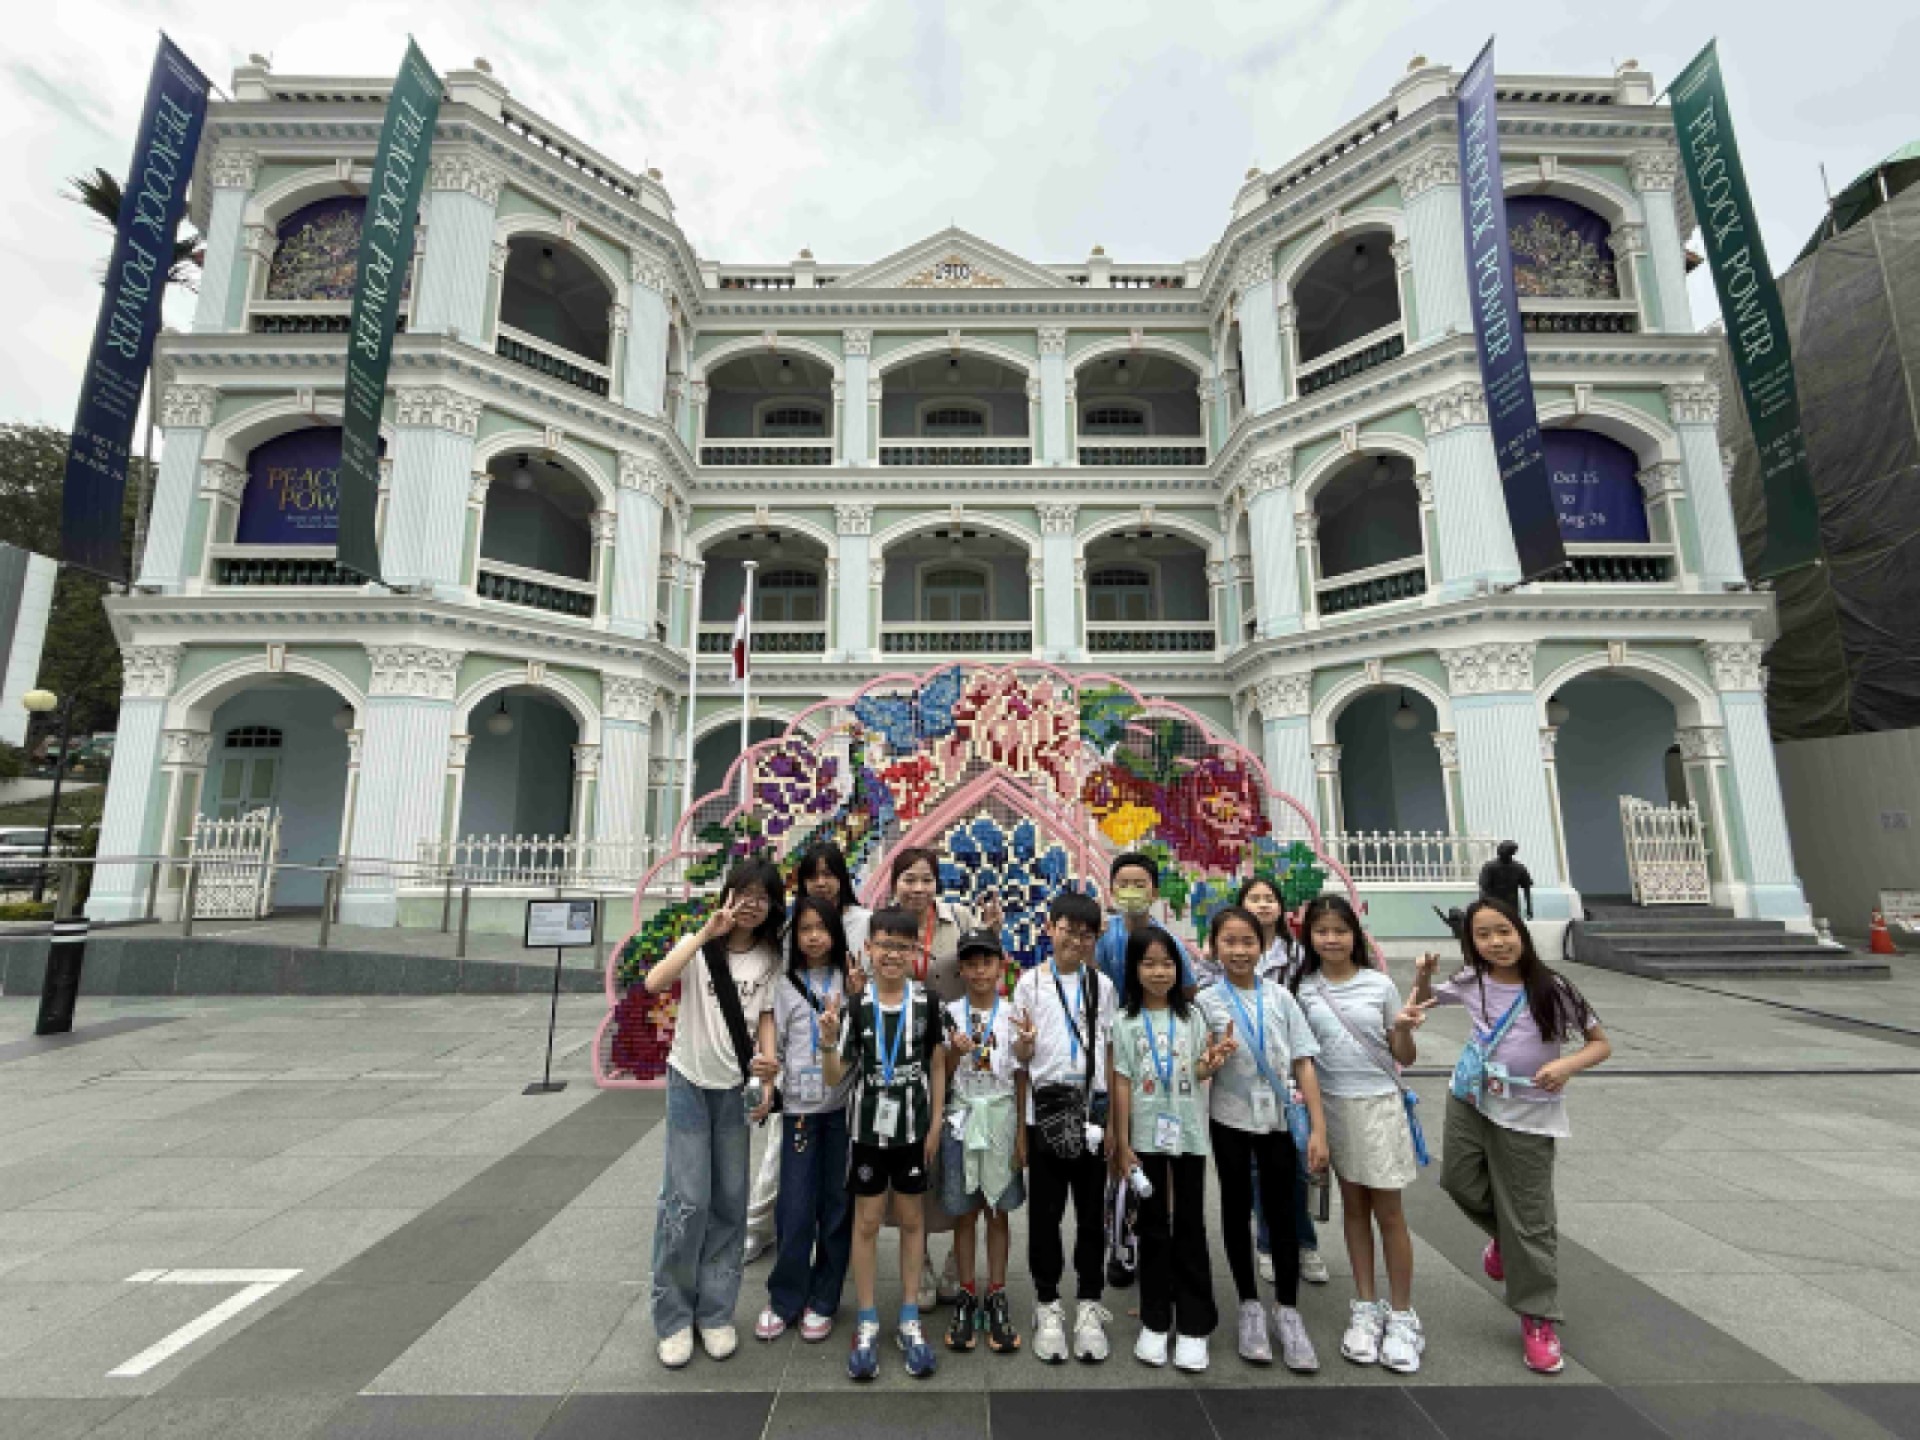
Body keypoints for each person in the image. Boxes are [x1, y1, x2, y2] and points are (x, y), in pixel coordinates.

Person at [1408, 896, 1612, 1375]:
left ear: (1520, 932)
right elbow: (1422, 1003)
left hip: (1528, 1111)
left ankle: (1538, 1317)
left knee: (1530, 1218)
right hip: (1470, 1098)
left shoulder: (1553, 988)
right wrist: (1423, 976)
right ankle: (1505, 1241)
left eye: (1503, 931)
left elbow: (1600, 1044)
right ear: (1471, 943)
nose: (1496, 942)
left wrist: (1566, 1065)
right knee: (1458, 1181)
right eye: (1483, 935)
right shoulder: (1472, 981)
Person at [645, 857, 786, 1369]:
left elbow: (765, 1019)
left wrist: (767, 1073)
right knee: (686, 1201)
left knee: (729, 1200)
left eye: (762, 897)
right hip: (689, 1081)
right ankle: (673, 1317)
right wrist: (706, 933)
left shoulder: (769, 958)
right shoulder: (700, 945)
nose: (752, 904)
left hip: (733, 1088)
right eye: (744, 893)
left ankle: (716, 1312)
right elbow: (654, 983)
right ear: (727, 894)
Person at [1290, 896, 1428, 1372]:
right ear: (1309, 937)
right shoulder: (1304, 989)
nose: (1331, 939)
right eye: (1322, 931)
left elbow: (1404, 1056)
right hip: (1332, 1108)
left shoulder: (1379, 984)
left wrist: (1404, 1029)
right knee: (1353, 1208)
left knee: (1389, 1212)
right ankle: (1365, 1306)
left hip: (1379, 1105)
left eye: (1340, 930)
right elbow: (1303, 1058)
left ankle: (1403, 1314)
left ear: (1356, 935)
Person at [821, 906, 949, 1381]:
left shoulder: (929, 1003)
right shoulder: (856, 1007)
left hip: (914, 1131)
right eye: (884, 945)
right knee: (868, 1221)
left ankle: (910, 1317)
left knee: (913, 1220)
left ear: (915, 951)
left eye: (901, 946)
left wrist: (935, 1124)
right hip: (867, 1131)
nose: (892, 954)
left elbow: (937, 1065)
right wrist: (827, 1042)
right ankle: (868, 1319)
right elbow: (834, 1077)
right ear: (868, 949)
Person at [1197, 904, 1327, 1372]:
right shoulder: (1206, 1002)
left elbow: (1303, 1062)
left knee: (1282, 1210)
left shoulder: (1281, 998)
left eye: (1247, 941)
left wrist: (1318, 1129)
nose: (1239, 950)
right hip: (1229, 1119)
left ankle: (1288, 1310)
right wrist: (1210, 1061)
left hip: (1277, 1121)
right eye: (1229, 941)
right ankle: (1249, 1305)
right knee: (1235, 1209)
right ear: (1214, 947)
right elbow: (1197, 1065)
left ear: (1263, 946)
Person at [1109, 926, 1230, 1372]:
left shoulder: (1192, 1017)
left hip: (1189, 1135)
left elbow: (1198, 1069)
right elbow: (1122, 1082)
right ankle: (1156, 1319)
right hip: (1145, 1139)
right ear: (1134, 969)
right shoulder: (1124, 1021)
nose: (1159, 972)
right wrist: (1123, 1142)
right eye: (1149, 963)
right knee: (1154, 1225)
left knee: (1191, 1224)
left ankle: (1195, 1323)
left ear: (1179, 968)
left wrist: (1210, 1065)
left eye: (1166, 963)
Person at [744, 842, 872, 1263]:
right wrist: (769, 1073)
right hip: (798, 1076)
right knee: (782, 1164)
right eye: (813, 874)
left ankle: (829, 1256)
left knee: (836, 1178)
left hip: (842, 1075)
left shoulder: (862, 921)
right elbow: (779, 997)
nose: (822, 882)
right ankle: (758, 1229)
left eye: (829, 872)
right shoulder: (789, 929)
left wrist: (856, 995)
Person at [1010, 888, 1118, 1364]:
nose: (1075, 940)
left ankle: (1089, 1303)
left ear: (1096, 938)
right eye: (1067, 930)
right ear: (1049, 928)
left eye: (1085, 934)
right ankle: (1047, 1302)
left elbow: (1110, 1054)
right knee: (1045, 1215)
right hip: (1045, 1113)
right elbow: (1019, 1063)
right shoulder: (1029, 984)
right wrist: (1021, 1130)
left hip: (1091, 1112)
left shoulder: (1103, 986)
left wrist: (1115, 1124)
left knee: (1092, 1214)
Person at [753, 896, 856, 1344]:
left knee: (836, 1207)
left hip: (841, 1112)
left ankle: (825, 1299)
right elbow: (773, 1042)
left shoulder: (849, 980)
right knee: (794, 1209)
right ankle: (785, 1298)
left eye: (822, 928)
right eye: (805, 929)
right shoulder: (783, 984)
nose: (814, 937)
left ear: (835, 933)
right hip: (799, 1111)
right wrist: (769, 1080)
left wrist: (855, 996)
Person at [1234, 875, 1331, 1291]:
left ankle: (1303, 1242)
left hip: (1293, 1066)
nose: (1262, 905)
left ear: (1281, 906)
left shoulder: (1298, 956)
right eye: (1253, 898)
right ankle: (1267, 1244)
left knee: (1296, 1164)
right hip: (1248, 1075)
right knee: (1259, 1168)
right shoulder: (1231, 952)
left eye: (1269, 898)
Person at [938, 930, 1026, 1355]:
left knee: (997, 1211)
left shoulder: (1012, 1014)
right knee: (965, 1212)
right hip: (961, 1117)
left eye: (986, 963)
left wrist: (1022, 1131)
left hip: (1001, 1118)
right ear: (961, 969)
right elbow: (941, 1069)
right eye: (971, 964)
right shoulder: (949, 1013)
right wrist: (955, 1052)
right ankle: (967, 1291)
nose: (979, 972)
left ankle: (997, 1291)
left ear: (1000, 966)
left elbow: (1022, 1074)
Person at [1095, 852, 1198, 995]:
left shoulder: (1168, 941)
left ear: (1155, 893)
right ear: (1112, 892)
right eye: (1123, 885)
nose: (1131, 891)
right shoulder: (1102, 934)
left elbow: (1188, 989)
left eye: (1139, 885)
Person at [1477, 841, 1535, 920]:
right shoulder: (1489, 867)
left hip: (1507, 907)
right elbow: (1483, 889)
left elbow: (1527, 889)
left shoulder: (1519, 868)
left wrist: (1529, 908)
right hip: (1495, 906)